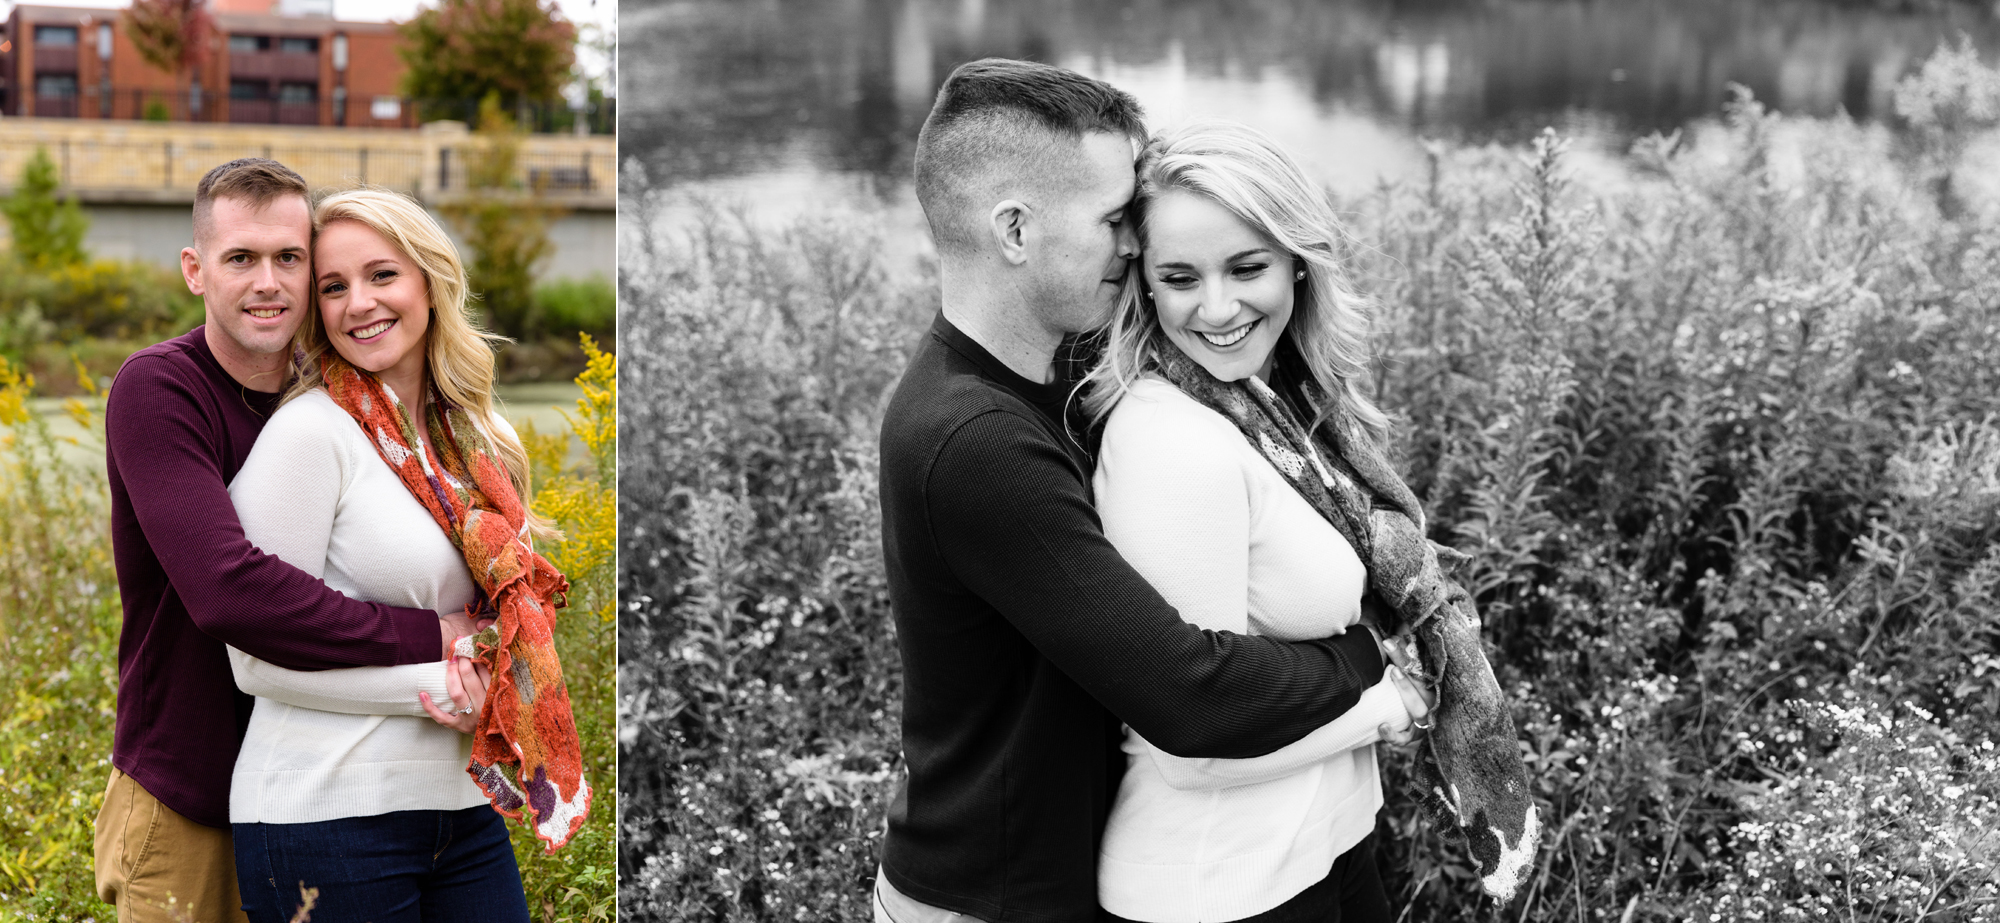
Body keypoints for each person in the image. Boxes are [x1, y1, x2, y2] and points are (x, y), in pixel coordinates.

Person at [874, 59, 1399, 923]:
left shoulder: (1067, 368)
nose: (1134, 243)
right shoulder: (971, 439)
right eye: (1117, 218)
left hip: (1068, 871)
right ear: (1015, 230)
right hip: (991, 896)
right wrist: (1369, 660)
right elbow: (1188, 695)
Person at [97, 159, 487, 923]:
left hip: (322, 780)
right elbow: (229, 588)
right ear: (195, 269)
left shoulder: (339, 391)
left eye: (290, 258)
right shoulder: (160, 389)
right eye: (241, 258)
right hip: (190, 790)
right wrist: (433, 637)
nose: (268, 281)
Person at [1081, 120, 1435, 923]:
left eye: (1247, 268)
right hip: (1220, 884)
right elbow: (1194, 746)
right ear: (1146, 286)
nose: (1216, 308)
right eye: (1179, 277)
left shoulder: (1269, 409)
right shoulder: (1172, 442)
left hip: (1325, 845)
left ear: (1299, 266)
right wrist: (1383, 704)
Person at [222, 187, 587, 923]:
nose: (358, 302)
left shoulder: (473, 445)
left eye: (381, 275)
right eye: (333, 286)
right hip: (321, 814)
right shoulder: (310, 436)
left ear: (429, 281)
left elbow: (502, 618)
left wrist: (490, 683)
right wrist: (450, 688)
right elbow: (252, 659)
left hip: (463, 803)